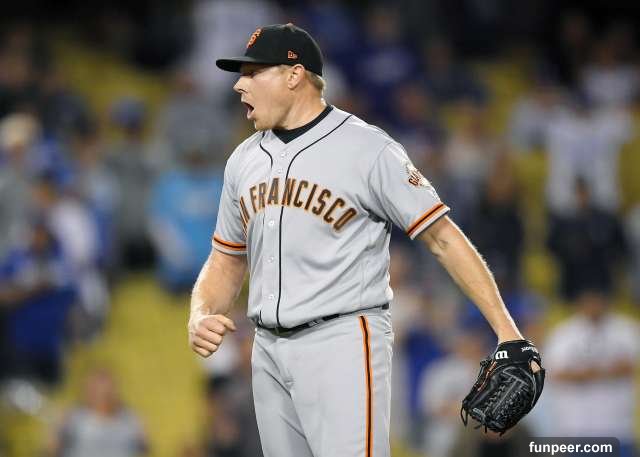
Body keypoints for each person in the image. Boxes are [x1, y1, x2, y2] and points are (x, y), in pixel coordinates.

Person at [188, 24, 539, 457]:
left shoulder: (367, 148)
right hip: (267, 350)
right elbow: (226, 259)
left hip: (342, 341)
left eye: (253, 73)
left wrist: (508, 332)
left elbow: (442, 237)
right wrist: (201, 313)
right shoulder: (242, 161)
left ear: (294, 75)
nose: (239, 84)